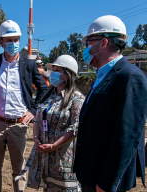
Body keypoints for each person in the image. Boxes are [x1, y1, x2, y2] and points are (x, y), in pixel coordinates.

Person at [73, 15, 147, 192]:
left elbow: (127, 136)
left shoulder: (130, 77)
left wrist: (107, 182)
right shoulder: (103, 75)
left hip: (105, 180)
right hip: (91, 172)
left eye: (89, 43)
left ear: (104, 43)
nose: (87, 49)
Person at [0, 20, 49, 192]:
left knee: (19, 169)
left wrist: (33, 110)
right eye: (9, 40)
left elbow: (43, 88)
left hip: (19, 124)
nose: (13, 44)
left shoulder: (28, 64)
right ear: (1, 42)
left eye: (16, 40)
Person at [27, 55, 85, 191]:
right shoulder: (48, 96)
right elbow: (37, 119)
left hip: (63, 160)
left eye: (57, 70)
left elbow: (74, 129)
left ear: (67, 75)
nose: (52, 73)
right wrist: (36, 138)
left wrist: (53, 146)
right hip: (45, 158)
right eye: (53, 69)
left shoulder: (77, 99)